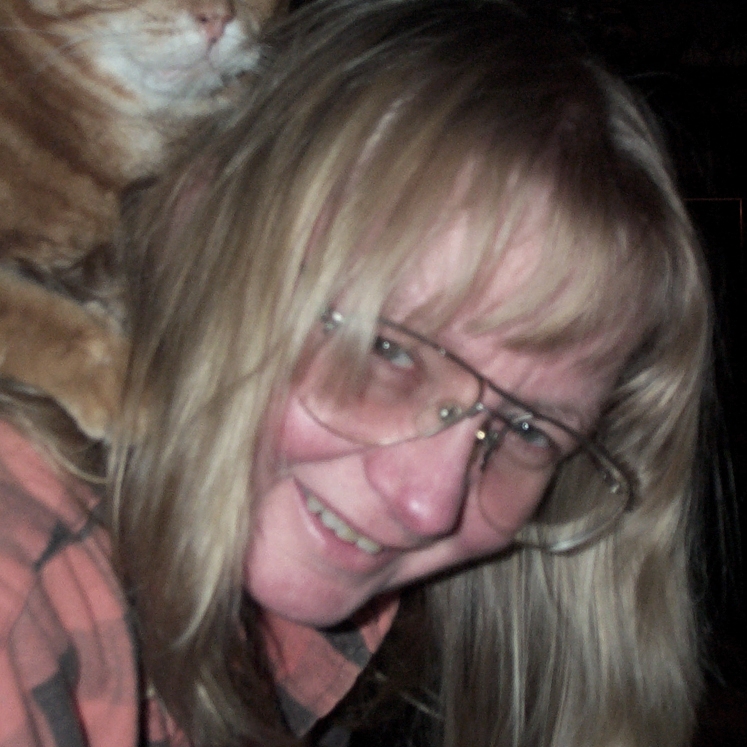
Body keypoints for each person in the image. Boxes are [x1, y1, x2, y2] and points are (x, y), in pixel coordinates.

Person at [0, 0, 711, 746]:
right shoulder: (25, 595)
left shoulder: (319, 648)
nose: (428, 504)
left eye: (525, 427)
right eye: (387, 347)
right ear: (193, 218)